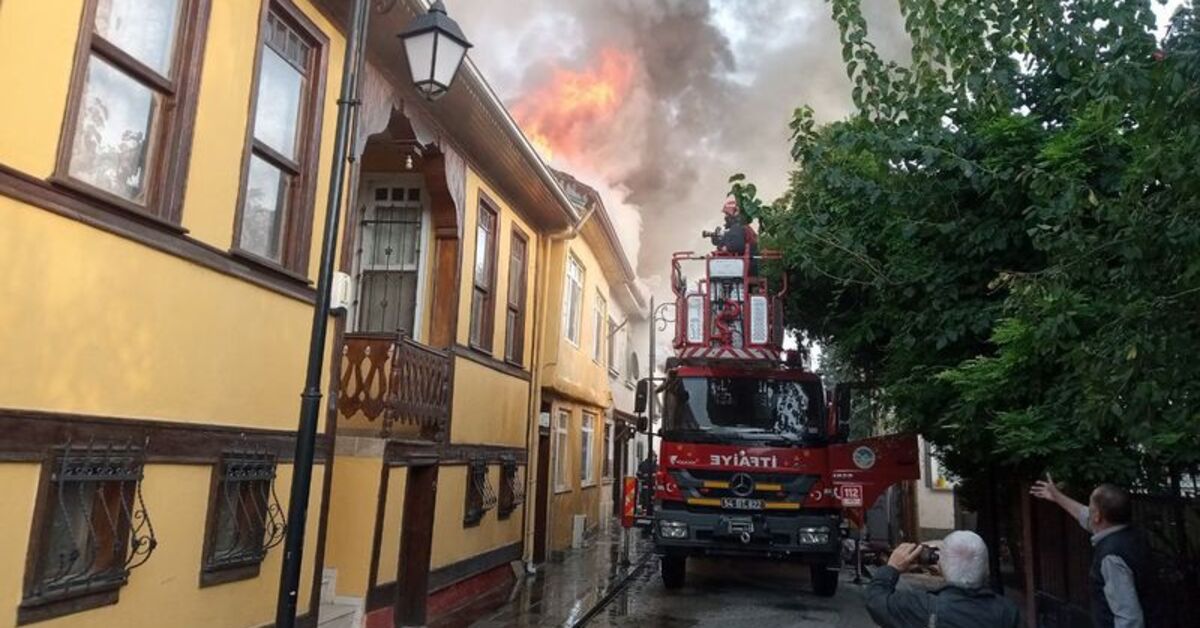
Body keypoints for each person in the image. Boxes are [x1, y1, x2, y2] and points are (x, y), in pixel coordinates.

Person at [1030, 476, 1162, 628]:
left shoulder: (1112, 556)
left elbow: (1129, 618)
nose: (1089, 510)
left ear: (1098, 516)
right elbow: (1085, 516)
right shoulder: (1132, 535)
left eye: (1091, 507)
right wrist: (1057, 496)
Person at [866, 530, 1022, 628]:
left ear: (939, 567)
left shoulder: (919, 606)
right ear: (986, 569)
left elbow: (875, 600)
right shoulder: (1007, 612)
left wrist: (892, 567)